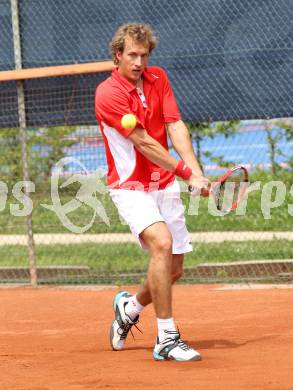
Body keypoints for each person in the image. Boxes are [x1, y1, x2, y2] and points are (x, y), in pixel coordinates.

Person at [95, 23, 210, 362]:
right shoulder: (108, 93)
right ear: (118, 55)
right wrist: (187, 173)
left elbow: (174, 125)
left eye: (144, 55)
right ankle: (167, 338)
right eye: (132, 55)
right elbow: (143, 141)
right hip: (130, 187)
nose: (138, 62)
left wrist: (197, 171)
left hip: (164, 184)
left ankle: (129, 308)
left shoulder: (158, 78)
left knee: (173, 271)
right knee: (161, 243)